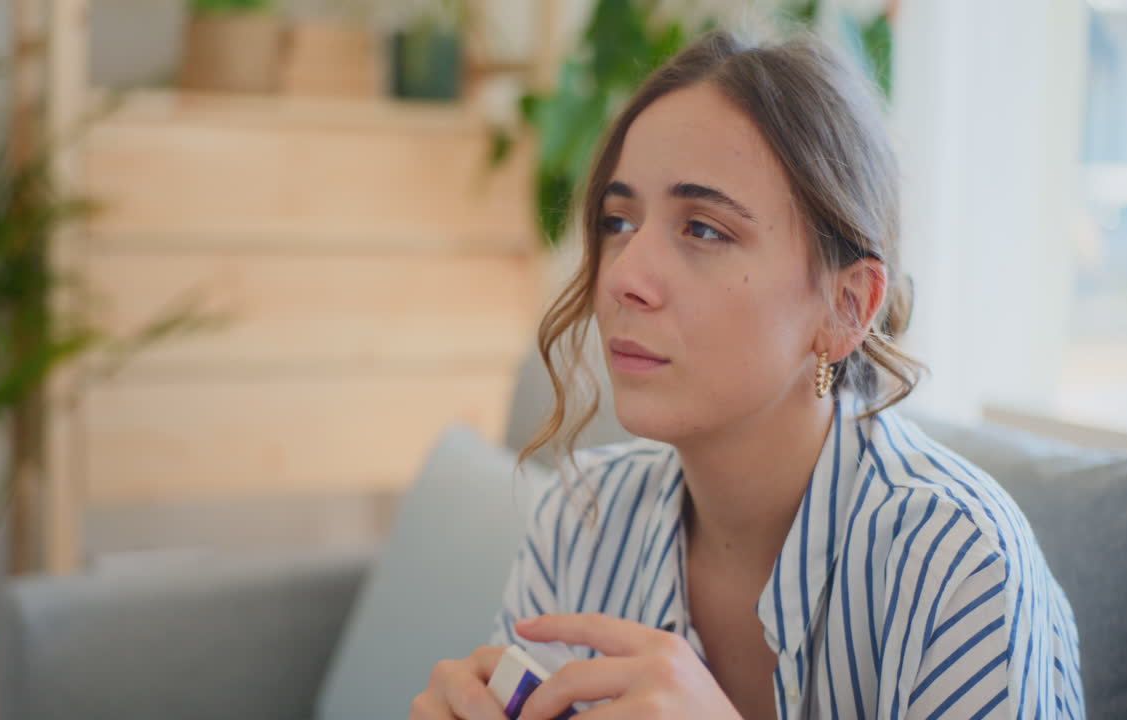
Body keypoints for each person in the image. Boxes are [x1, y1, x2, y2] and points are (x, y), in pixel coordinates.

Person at [410, 28, 1083, 720]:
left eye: (703, 229)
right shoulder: (578, 522)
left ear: (846, 308)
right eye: (618, 221)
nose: (624, 277)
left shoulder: (960, 565)